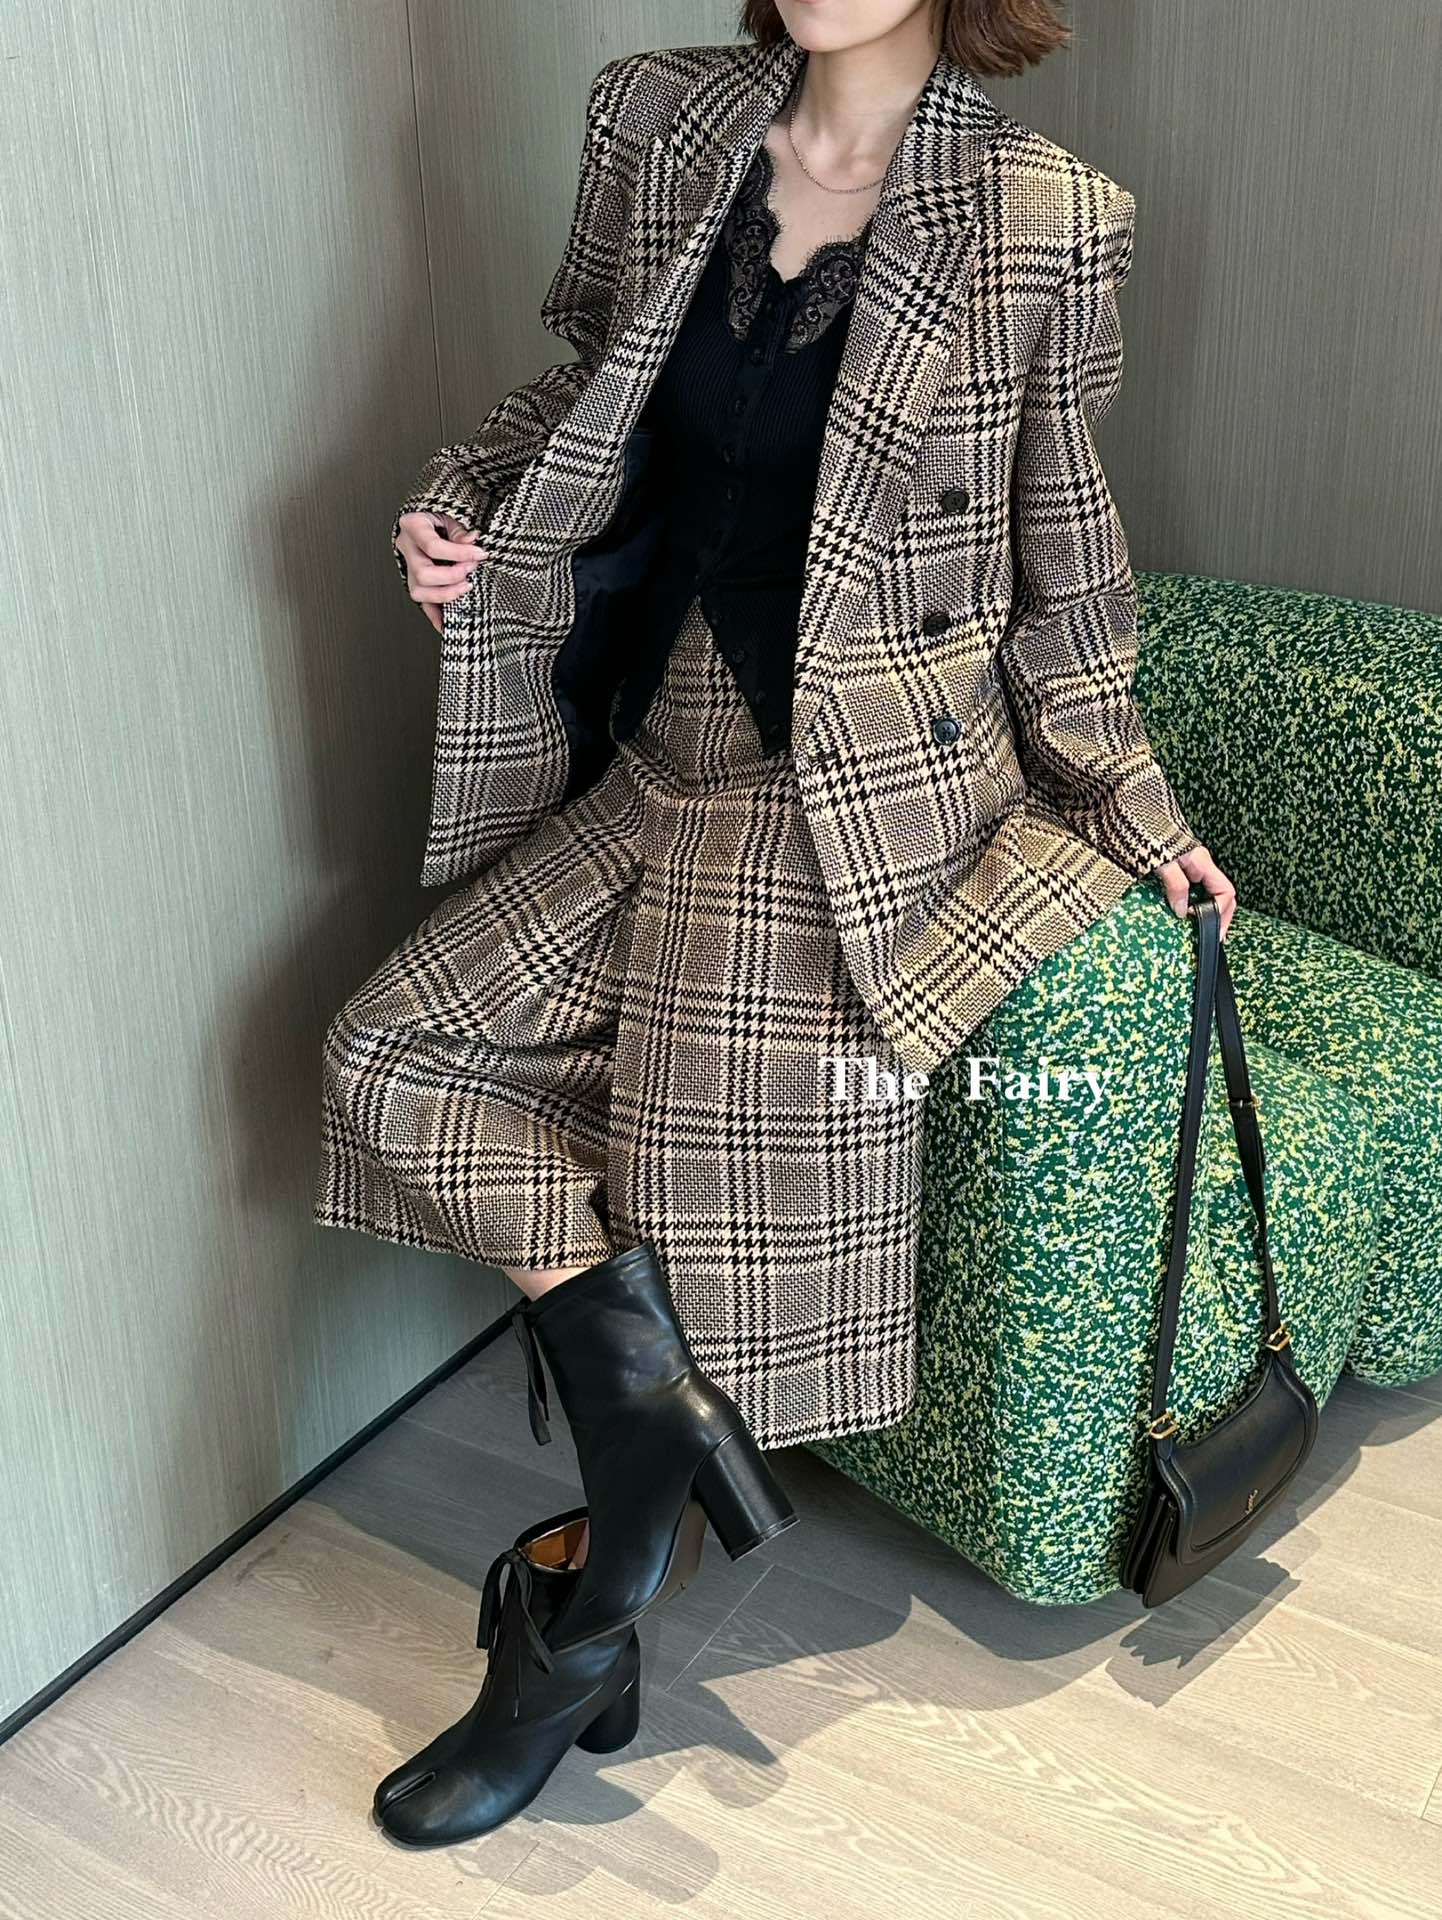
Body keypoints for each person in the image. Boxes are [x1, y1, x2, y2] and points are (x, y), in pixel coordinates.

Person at [314, 0, 1236, 1846]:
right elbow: (581, 385)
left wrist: (1131, 800)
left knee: (687, 1183)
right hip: (648, 731)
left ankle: (571, 1637)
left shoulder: (1048, 215)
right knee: (385, 1054)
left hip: (839, 794)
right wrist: (462, 506)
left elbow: (1065, 551)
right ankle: (653, 1415)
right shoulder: (659, 117)